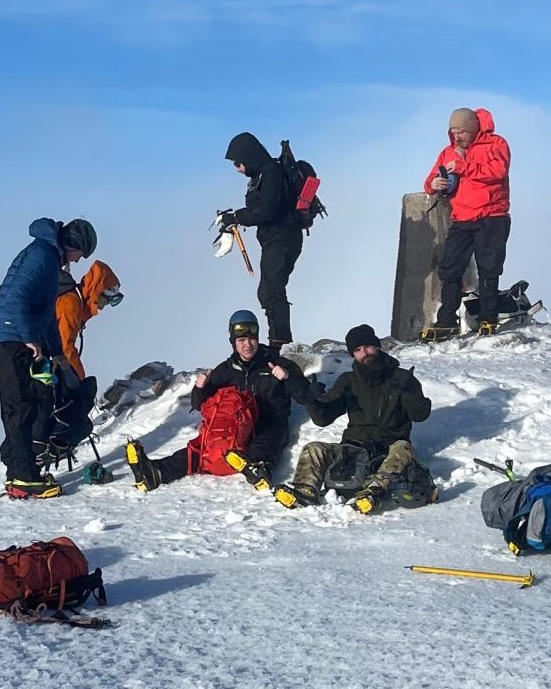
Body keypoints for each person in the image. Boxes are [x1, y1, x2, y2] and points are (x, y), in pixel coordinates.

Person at [124, 309, 300, 491]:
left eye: (252, 339)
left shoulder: (273, 362)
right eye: (241, 340)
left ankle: (259, 470)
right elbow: (198, 404)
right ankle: (155, 472)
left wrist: (287, 376)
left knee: (264, 443)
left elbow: (303, 392)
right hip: (238, 426)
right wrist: (200, 388)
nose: (247, 345)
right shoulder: (225, 370)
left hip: (269, 422)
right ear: (233, 342)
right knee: (202, 448)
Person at [0, 216, 96, 497]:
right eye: (80, 253)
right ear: (72, 244)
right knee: (18, 406)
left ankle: (23, 472)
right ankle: (22, 477)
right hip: (9, 337)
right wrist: (29, 338)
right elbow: (18, 296)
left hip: (16, 335)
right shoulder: (42, 255)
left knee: (30, 403)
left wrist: (57, 353)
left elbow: (45, 315)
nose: (79, 260)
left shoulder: (47, 257)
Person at [272, 323, 434, 513]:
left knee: (403, 448)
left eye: (367, 346)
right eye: (357, 350)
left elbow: (420, 415)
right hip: (354, 450)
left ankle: (374, 491)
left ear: (377, 346)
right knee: (314, 448)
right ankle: (304, 491)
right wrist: (310, 399)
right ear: (353, 355)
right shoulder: (349, 381)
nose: (364, 353)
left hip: (388, 449)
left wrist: (410, 392)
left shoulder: (402, 378)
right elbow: (323, 418)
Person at [422, 107, 512, 335]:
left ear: (473, 130)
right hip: (462, 217)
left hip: (493, 215)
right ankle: (446, 321)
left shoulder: (496, 144)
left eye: (461, 132)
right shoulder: (447, 152)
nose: (457, 137)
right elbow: (432, 177)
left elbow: (498, 171)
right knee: (450, 269)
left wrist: (464, 167)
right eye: (453, 132)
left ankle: (487, 319)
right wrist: (434, 185)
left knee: (489, 269)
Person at [222, 131, 308, 348]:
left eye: (238, 163)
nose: (237, 169)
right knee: (270, 289)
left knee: (271, 290)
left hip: (282, 238)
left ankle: (280, 344)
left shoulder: (271, 174)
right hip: (278, 239)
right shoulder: (263, 174)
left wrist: (237, 216)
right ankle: (279, 341)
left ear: (248, 157)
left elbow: (266, 211)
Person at [44, 260, 123, 462]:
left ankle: (57, 444)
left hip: (53, 365)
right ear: (97, 291)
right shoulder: (71, 304)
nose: (103, 307)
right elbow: (64, 345)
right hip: (54, 366)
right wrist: (76, 376)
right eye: (105, 300)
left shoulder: (75, 304)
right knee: (84, 395)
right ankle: (57, 444)